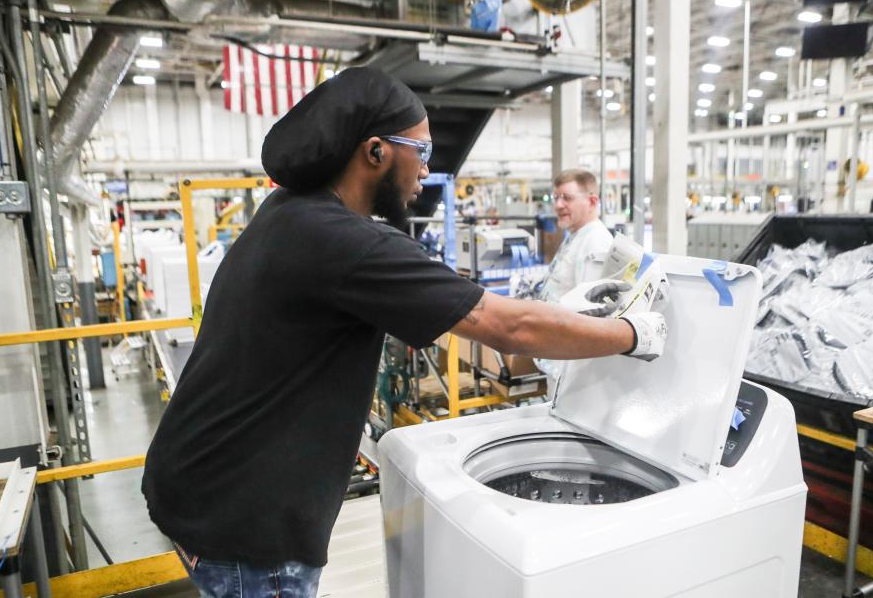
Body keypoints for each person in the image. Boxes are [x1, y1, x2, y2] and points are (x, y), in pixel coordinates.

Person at [141, 67, 667, 598]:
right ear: (375, 152)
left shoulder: (291, 212)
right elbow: (507, 328)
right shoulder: (347, 242)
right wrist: (631, 333)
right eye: (421, 150)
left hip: (199, 488)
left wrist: (569, 315)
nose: (426, 168)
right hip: (248, 530)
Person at [539, 169, 615, 304]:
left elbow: (588, 310)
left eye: (567, 198)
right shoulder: (576, 235)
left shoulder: (596, 242)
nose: (558, 205)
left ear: (592, 201)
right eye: (556, 198)